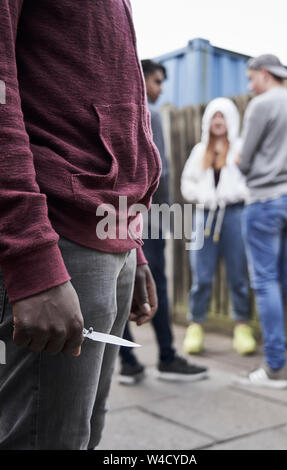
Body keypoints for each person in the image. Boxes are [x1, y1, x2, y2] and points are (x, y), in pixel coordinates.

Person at [0, 1, 161, 450]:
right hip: (56, 232)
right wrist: (31, 259)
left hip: (111, 234)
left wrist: (133, 241)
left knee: (84, 434)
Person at [119, 60, 208, 384]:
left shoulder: (116, 107)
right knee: (157, 282)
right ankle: (167, 358)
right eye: (157, 81)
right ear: (142, 77)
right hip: (149, 213)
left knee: (117, 283)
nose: (159, 89)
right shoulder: (148, 112)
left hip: (113, 212)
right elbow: (159, 170)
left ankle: (128, 361)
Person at [237, 54, 287, 390]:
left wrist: (239, 158)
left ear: (264, 74)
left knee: (266, 282)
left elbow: (245, 162)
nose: (250, 86)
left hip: (265, 202)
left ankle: (276, 368)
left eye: (251, 78)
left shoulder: (262, 105)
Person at [181, 98, 256, 356]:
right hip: (204, 217)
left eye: (223, 117)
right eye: (214, 117)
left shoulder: (240, 148)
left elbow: (251, 181)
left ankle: (242, 327)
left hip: (235, 216)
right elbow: (187, 184)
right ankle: (196, 325)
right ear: (208, 121)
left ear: (231, 120)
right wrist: (202, 197)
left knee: (239, 274)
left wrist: (234, 193)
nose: (218, 122)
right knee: (201, 276)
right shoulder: (199, 150)